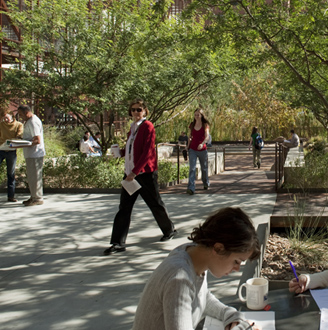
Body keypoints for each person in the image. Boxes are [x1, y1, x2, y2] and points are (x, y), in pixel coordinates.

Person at [132, 207, 262, 330]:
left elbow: (202, 297)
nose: (237, 269)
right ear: (218, 248)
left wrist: (231, 315)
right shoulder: (179, 279)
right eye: (236, 261)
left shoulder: (193, 254)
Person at [103, 99, 177, 255]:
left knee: (155, 203)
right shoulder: (132, 128)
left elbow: (148, 152)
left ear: (145, 111)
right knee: (124, 207)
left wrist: (135, 172)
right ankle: (118, 242)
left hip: (144, 174)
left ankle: (169, 229)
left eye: (139, 109)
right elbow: (132, 150)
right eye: (133, 110)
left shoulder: (148, 126)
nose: (136, 112)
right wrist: (120, 153)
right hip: (131, 173)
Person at [13, 105, 45, 206]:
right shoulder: (29, 121)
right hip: (30, 154)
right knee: (31, 176)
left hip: (35, 153)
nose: (21, 117)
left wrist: (22, 144)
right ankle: (33, 196)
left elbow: (37, 139)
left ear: (27, 112)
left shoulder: (33, 122)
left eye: (21, 114)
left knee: (35, 176)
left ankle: (37, 198)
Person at [186, 108, 211, 195]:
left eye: (198, 115)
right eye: (195, 115)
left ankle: (206, 182)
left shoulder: (205, 125)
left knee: (204, 168)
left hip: (202, 150)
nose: (196, 116)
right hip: (192, 149)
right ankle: (191, 188)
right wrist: (187, 146)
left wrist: (203, 143)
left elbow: (207, 136)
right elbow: (190, 136)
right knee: (192, 168)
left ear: (201, 115)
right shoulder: (192, 125)